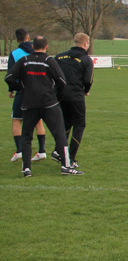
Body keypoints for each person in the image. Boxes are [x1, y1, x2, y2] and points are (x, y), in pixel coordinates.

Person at [4, 35, 82, 176]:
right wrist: (57, 96)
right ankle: (66, 166)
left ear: (33, 46)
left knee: (27, 136)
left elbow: (8, 77)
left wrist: (20, 88)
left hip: (29, 104)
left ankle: (26, 168)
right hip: (49, 103)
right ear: (46, 46)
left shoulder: (24, 60)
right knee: (59, 134)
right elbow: (62, 81)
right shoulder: (49, 61)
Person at [7, 28, 48, 162]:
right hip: (39, 91)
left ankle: (19, 151)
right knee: (38, 120)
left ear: (17, 39)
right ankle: (41, 151)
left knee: (17, 120)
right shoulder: (38, 50)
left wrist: (12, 89)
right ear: (28, 38)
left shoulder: (15, 54)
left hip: (22, 91)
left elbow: (11, 74)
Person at [54, 33, 93, 167]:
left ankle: (58, 151)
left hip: (60, 95)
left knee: (66, 123)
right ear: (85, 44)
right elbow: (88, 80)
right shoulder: (86, 60)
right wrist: (86, 90)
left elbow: (53, 75)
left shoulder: (59, 57)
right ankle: (70, 157)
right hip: (76, 96)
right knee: (79, 125)